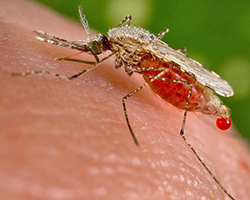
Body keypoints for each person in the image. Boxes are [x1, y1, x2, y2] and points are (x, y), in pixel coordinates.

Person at [1, 0, 250, 199]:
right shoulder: (116, 41)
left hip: (172, 75)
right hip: (155, 62)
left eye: (97, 47)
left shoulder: (121, 44)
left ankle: (186, 137)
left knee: (169, 83)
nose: (96, 49)